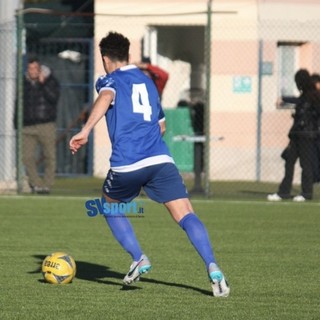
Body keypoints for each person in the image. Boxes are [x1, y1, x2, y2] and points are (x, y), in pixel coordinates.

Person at [69, 32, 230, 297]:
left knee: (109, 206)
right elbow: (162, 126)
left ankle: (138, 257)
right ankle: (213, 266)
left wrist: (85, 130)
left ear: (105, 58)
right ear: (129, 56)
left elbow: (106, 96)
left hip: (127, 162)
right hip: (159, 160)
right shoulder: (148, 83)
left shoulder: (108, 79)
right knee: (186, 214)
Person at [268, 69, 320, 202]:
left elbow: (301, 105)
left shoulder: (313, 96)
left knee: (305, 165)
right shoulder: (305, 96)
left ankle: (306, 193)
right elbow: (298, 101)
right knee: (289, 161)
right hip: (297, 135)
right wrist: (285, 99)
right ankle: (284, 191)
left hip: (307, 136)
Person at [19, 57, 60, 194]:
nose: (32, 71)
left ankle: (47, 185)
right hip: (27, 126)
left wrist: (43, 84)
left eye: (35, 68)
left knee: (50, 156)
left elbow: (54, 98)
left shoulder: (51, 81)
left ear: (40, 69)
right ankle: (36, 184)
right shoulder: (23, 83)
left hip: (46, 124)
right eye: (30, 69)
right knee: (27, 157)